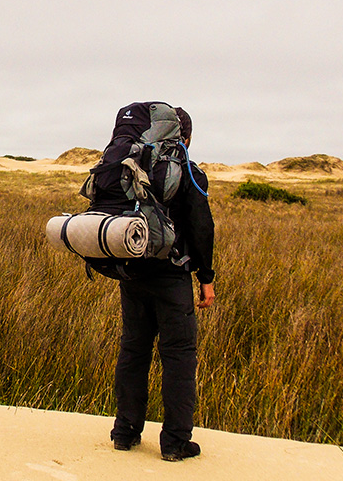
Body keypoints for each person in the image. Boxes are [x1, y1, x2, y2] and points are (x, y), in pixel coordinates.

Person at [109, 105, 216, 462]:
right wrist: (207, 278)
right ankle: (174, 443)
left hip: (133, 272)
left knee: (133, 350)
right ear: (183, 136)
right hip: (172, 278)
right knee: (179, 357)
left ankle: (125, 432)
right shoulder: (186, 170)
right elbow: (201, 229)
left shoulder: (134, 163)